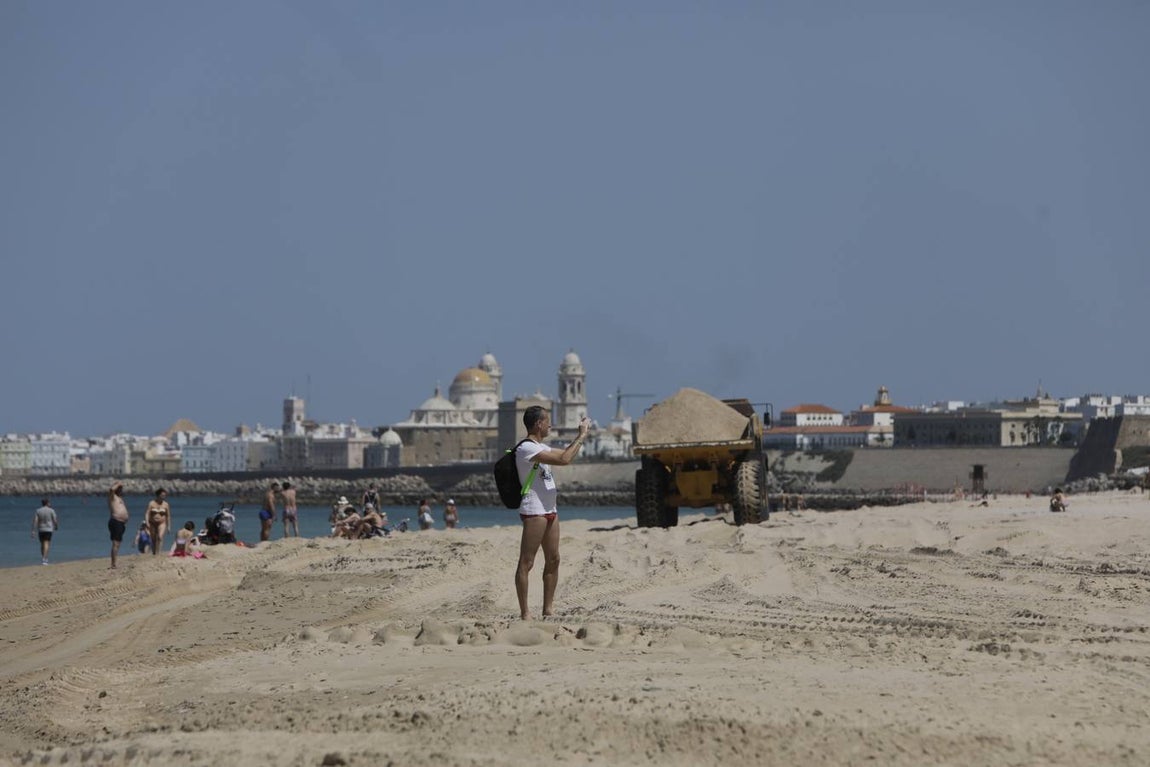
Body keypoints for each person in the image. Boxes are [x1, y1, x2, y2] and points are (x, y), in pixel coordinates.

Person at [514, 406, 591, 620]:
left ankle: (548, 609)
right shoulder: (526, 448)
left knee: (554, 559)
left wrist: (579, 437)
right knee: (527, 562)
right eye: (548, 421)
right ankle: (525, 613)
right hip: (534, 511)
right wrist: (582, 435)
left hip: (550, 509)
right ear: (539, 424)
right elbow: (564, 460)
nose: (551, 425)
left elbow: (567, 455)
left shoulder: (541, 447)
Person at [107, 481, 129, 569]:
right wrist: (118, 484)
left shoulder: (119, 498)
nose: (120, 490)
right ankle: (113, 564)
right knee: (116, 543)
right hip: (116, 521)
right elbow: (111, 490)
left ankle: (114, 562)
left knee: (118, 543)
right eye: (119, 488)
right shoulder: (112, 497)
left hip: (121, 523)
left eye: (121, 488)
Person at [144, 488, 171, 555]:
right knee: (153, 538)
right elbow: (147, 513)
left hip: (162, 523)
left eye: (165, 495)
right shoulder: (151, 503)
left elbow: (168, 515)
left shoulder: (166, 504)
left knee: (160, 537)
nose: (164, 496)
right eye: (162, 495)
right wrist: (147, 522)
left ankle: (159, 552)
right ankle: (154, 552)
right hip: (152, 523)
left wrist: (169, 526)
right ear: (158, 495)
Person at [31, 497, 58, 565]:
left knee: (42, 544)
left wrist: (33, 530)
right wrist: (56, 526)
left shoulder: (38, 511)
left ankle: (44, 558)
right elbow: (55, 519)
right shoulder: (51, 510)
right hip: (48, 529)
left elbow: (35, 521)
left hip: (41, 529)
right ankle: (44, 559)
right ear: (47, 503)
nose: (50, 504)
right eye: (49, 503)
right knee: (46, 543)